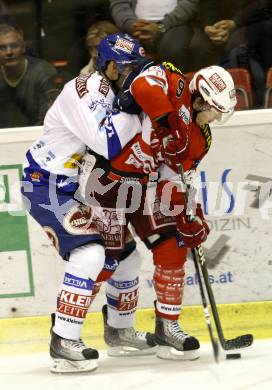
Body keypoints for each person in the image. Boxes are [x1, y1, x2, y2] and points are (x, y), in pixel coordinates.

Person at [82, 34, 236, 360]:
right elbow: (141, 86)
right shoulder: (172, 78)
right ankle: (65, 331)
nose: (217, 119)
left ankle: (167, 328)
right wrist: (166, 119)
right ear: (198, 99)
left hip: (145, 185)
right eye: (215, 111)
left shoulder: (201, 139)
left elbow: (176, 180)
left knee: (172, 243)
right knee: (106, 258)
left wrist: (188, 215)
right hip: (109, 174)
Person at [21, 33, 158, 374]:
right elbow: (106, 142)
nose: (135, 77)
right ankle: (64, 339)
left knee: (126, 257)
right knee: (90, 253)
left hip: (76, 185)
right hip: (44, 183)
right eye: (129, 69)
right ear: (110, 66)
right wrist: (132, 107)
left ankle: (119, 330)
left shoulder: (116, 92)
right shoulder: (83, 90)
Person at [109, 0, 200, 71]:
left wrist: (162, 26)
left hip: (174, 25)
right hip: (134, 27)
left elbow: (189, 3)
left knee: (173, 48)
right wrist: (131, 24)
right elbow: (119, 3)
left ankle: (176, 89)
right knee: (112, 47)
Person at [0, 23, 57, 128]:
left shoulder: (44, 72)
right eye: (2, 48)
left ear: (23, 47)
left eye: (14, 46)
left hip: (37, 138)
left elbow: (50, 119)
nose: (9, 52)